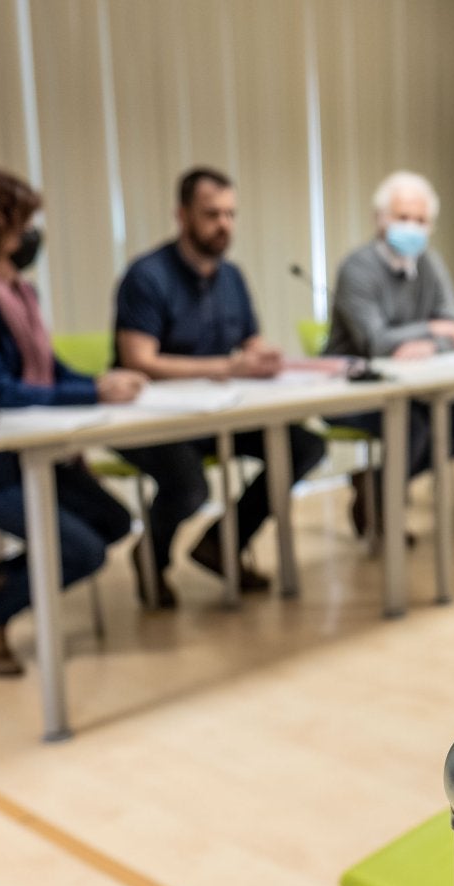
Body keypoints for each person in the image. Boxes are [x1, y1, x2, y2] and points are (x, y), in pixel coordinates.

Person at [0, 166, 145, 677]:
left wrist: (101, 383)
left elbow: (45, 367)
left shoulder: (20, 294)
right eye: (20, 222)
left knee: (113, 522)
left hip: (27, 454)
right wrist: (91, 393)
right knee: (82, 552)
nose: (29, 233)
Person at [113, 167, 326, 607]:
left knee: (302, 447)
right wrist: (228, 367)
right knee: (189, 485)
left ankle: (222, 543)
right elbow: (140, 361)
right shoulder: (147, 276)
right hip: (150, 419)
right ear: (183, 216)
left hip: (215, 411)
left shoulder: (231, 277)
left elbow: (250, 342)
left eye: (230, 214)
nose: (224, 224)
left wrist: (266, 358)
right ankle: (151, 557)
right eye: (212, 214)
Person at [324, 170, 454, 535]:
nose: (412, 227)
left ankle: (376, 483)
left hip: (412, 386)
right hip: (353, 389)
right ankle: (383, 509)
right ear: (380, 219)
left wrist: (430, 342)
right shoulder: (357, 267)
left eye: (421, 220)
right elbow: (377, 344)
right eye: (403, 217)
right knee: (412, 427)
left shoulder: (430, 263)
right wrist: (432, 329)